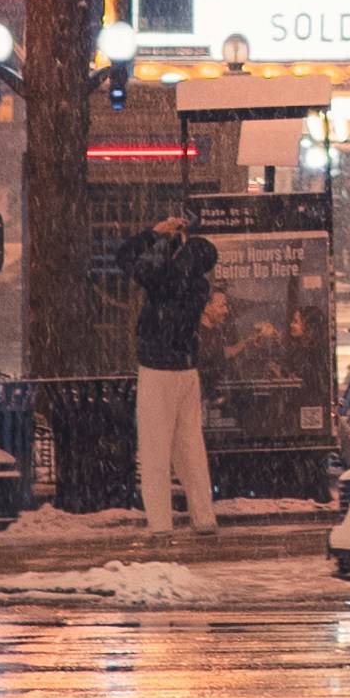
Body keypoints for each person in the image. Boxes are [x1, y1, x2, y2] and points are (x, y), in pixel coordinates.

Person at [130, 212, 223, 540]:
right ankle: (203, 516)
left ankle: (160, 523)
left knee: (155, 451)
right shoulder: (199, 285)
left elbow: (125, 257)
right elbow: (178, 266)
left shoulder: (163, 280)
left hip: (158, 369)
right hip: (187, 369)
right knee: (190, 448)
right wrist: (175, 244)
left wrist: (156, 232)